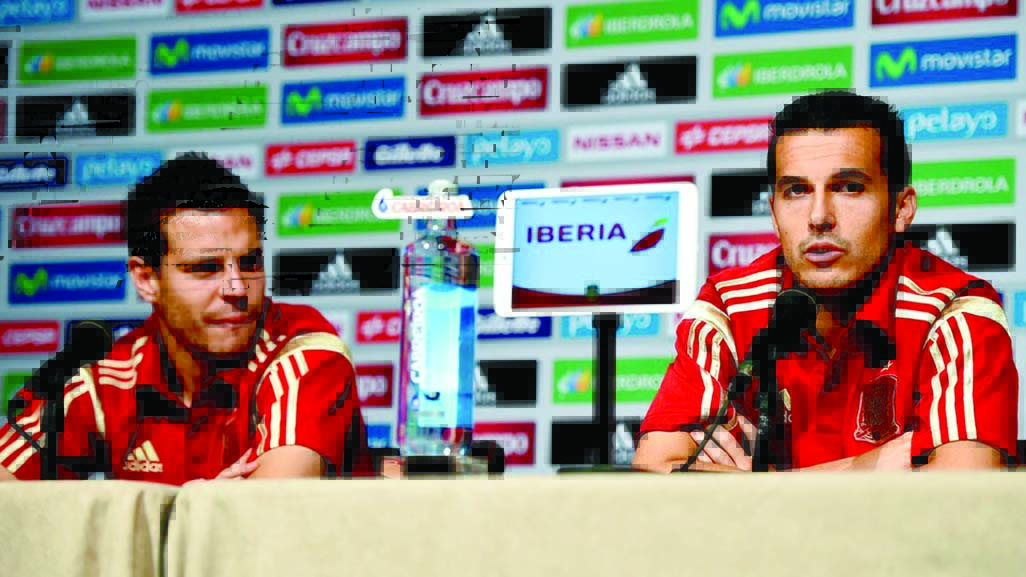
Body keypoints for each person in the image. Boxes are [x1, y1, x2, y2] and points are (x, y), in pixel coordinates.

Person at [633, 90, 1018, 473]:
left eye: (849, 187)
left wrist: (747, 488)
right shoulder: (731, 306)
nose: (819, 216)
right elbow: (656, 475)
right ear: (773, 211)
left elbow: (962, 496)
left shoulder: (953, 310)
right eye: (796, 190)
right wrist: (866, 468)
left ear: (901, 209)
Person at [0, 153, 373, 483]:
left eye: (250, 263)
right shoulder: (110, 379)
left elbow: (268, 524)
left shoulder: (303, 352)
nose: (237, 288)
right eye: (205, 268)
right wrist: (196, 509)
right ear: (147, 280)